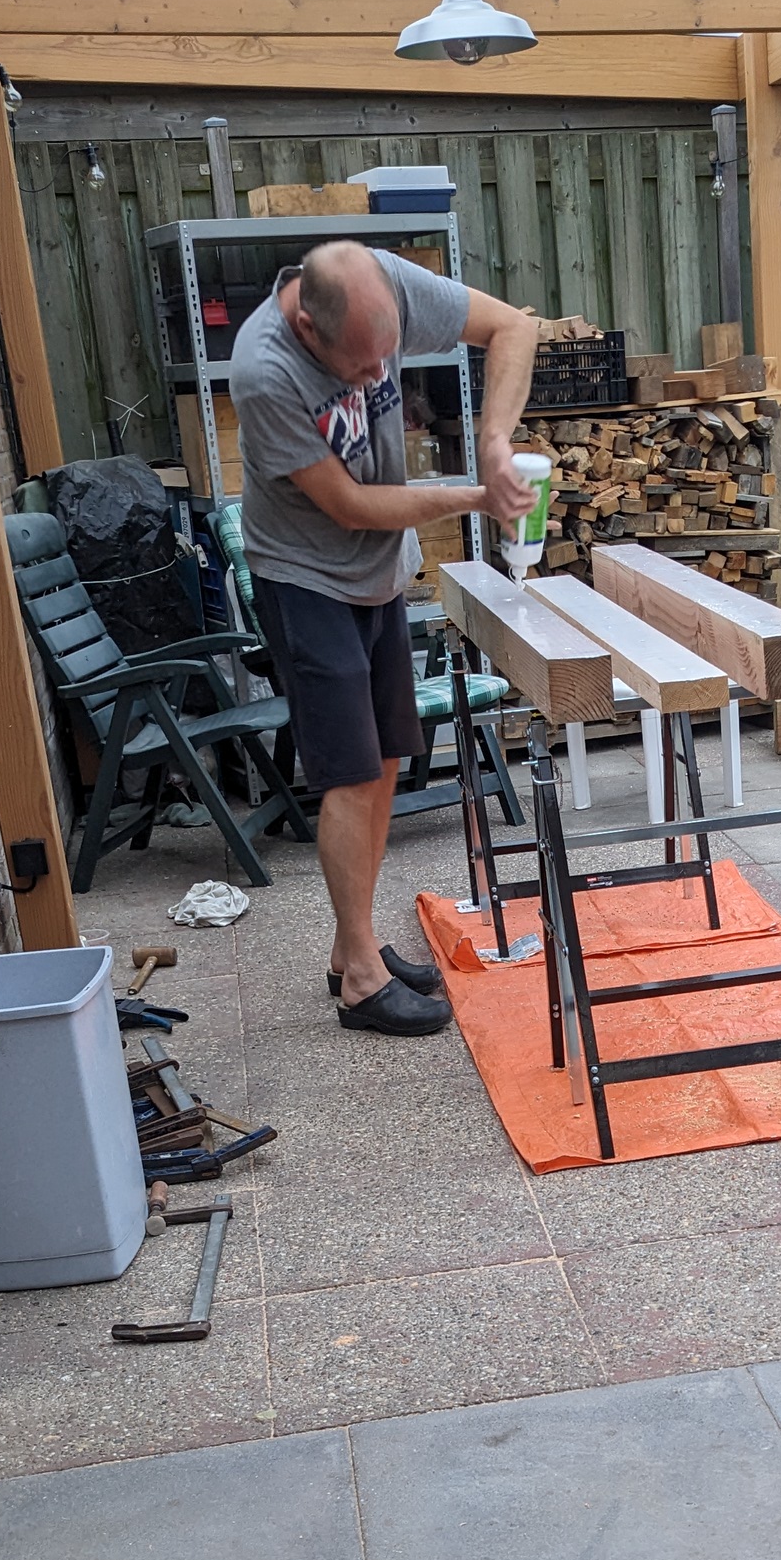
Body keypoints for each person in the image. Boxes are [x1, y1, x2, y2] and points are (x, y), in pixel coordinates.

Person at [229, 239, 538, 1034]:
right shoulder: (265, 372)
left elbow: (514, 327)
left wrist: (495, 441)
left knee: (391, 755)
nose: (378, 378)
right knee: (350, 772)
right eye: (362, 367)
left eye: (386, 358)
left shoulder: (381, 283)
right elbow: (352, 507)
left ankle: (351, 946)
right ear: (308, 328)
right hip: (306, 576)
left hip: (377, 575)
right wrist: (473, 496)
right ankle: (362, 984)